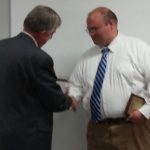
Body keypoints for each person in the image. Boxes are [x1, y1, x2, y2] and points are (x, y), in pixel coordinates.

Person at [68, 6, 150, 150]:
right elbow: (76, 85)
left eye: (94, 29)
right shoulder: (85, 58)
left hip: (132, 129)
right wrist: (73, 96)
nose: (91, 34)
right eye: (89, 30)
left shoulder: (138, 49)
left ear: (111, 24)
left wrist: (145, 112)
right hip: (97, 130)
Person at [0, 5, 77, 150]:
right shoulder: (40, 58)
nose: (51, 38)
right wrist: (68, 100)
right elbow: (54, 101)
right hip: (26, 139)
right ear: (43, 33)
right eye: (52, 34)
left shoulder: (2, 46)